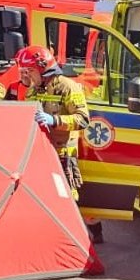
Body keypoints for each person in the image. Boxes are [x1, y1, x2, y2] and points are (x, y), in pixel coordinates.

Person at [13, 46, 103, 243]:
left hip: (63, 155)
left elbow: (83, 119)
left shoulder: (68, 87)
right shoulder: (32, 90)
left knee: (67, 200)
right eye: (24, 72)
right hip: (40, 154)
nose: (26, 76)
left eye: (29, 71)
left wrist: (55, 120)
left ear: (43, 68)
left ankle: (83, 238)